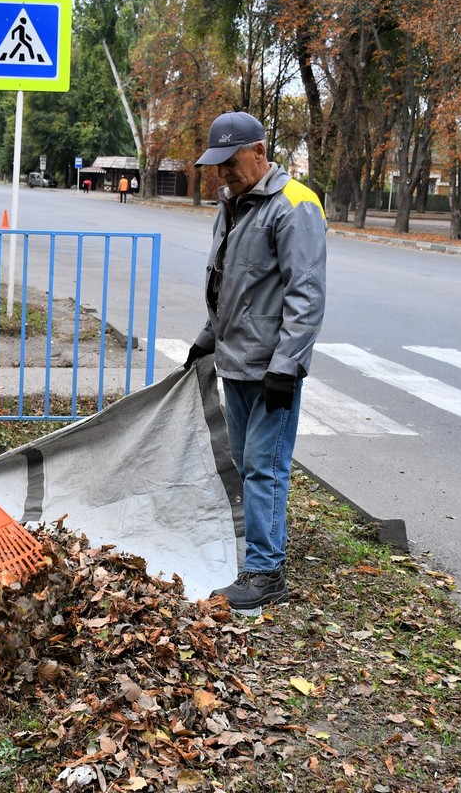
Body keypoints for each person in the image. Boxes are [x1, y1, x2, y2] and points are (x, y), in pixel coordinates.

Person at [185, 111, 327, 612]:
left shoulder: (295, 205)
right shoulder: (234, 203)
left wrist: (286, 366)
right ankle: (262, 552)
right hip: (235, 360)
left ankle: (267, 575)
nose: (222, 173)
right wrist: (206, 339)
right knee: (248, 463)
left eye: (231, 162)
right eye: (217, 165)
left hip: (271, 368)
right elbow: (229, 284)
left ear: (260, 152)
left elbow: (305, 294)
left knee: (264, 466)